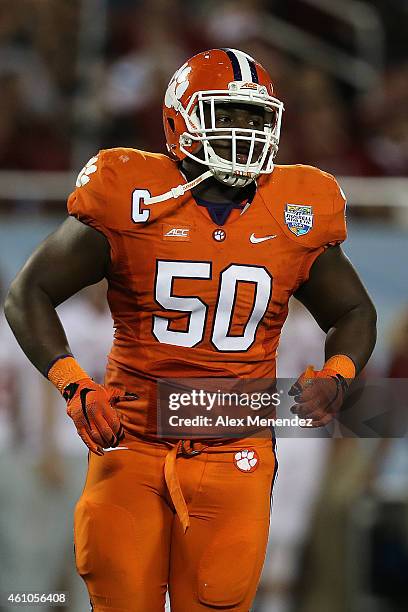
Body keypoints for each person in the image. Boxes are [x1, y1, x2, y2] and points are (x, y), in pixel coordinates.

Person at [4, 48, 376, 612]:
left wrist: (340, 373)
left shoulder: (297, 205)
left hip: (235, 447)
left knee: (217, 603)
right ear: (181, 117)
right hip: (132, 440)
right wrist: (73, 382)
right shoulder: (129, 192)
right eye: (227, 115)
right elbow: (28, 293)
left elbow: (354, 313)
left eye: (256, 118)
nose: (244, 132)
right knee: (121, 601)